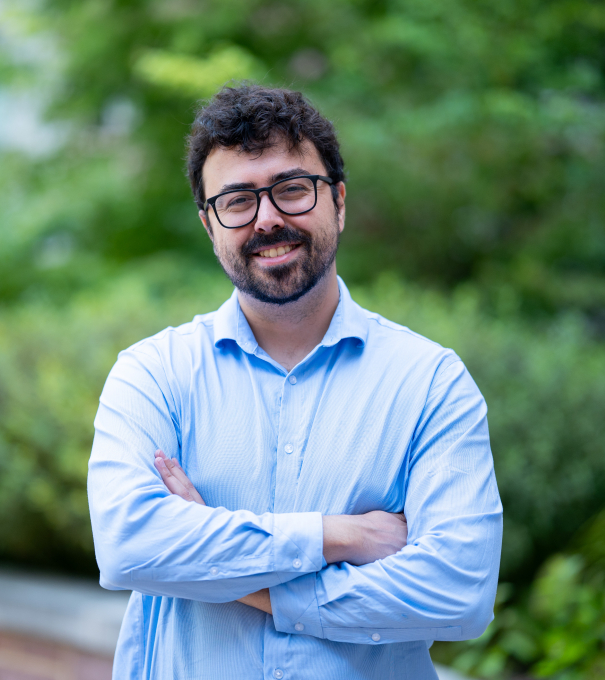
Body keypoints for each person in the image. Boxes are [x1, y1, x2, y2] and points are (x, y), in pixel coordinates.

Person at [88, 85, 503, 680]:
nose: (267, 219)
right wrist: (338, 537)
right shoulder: (153, 373)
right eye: (237, 200)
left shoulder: (430, 383)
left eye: (290, 189)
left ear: (337, 200)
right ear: (210, 224)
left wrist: (238, 579)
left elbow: (458, 591)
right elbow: (130, 546)